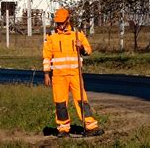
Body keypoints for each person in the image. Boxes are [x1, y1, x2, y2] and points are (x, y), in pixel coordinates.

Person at [43, 8, 104, 138]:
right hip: (58, 76)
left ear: (68, 20)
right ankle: (63, 129)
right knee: (60, 103)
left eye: (62, 22)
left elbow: (88, 50)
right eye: (58, 23)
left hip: (75, 74)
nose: (59, 25)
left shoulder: (77, 34)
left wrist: (81, 47)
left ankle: (90, 127)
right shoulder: (51, 36)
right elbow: (46, 57)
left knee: (82, 100)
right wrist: (46, 74)